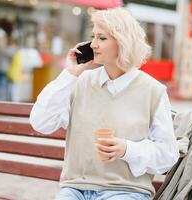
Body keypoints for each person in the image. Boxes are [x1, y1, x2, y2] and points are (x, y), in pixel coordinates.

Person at [30, 8, 179, 200]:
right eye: (93, 37)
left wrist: (127, 149)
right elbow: (41, 123)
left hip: (126, 191)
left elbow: (167, 155)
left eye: (102, 38)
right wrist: (69, 74)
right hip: (76, 189)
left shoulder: (152, 91)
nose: (93, 44)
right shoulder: (80, 82)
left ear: (123, 42)